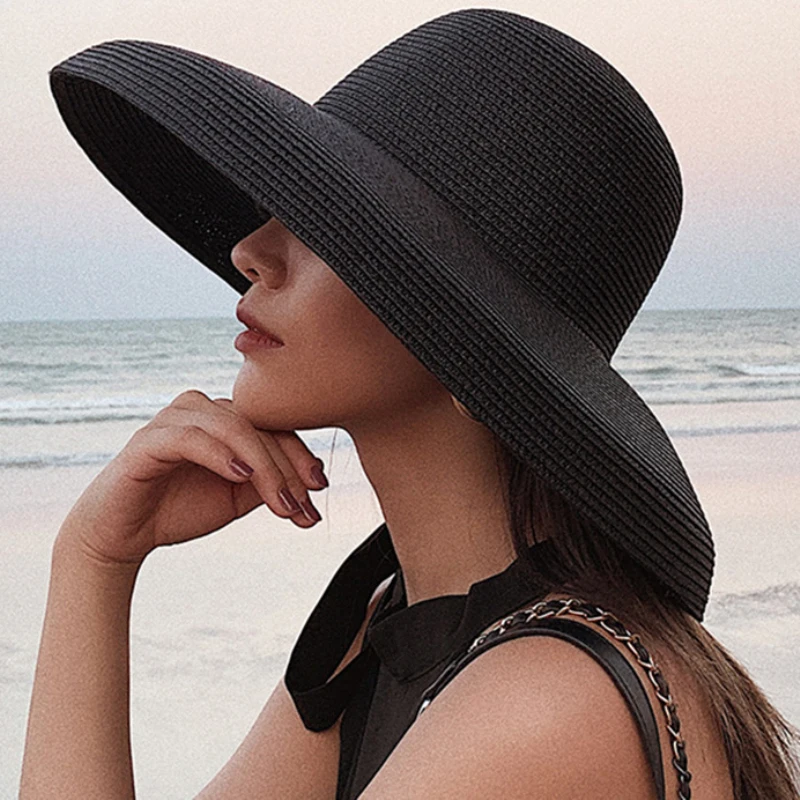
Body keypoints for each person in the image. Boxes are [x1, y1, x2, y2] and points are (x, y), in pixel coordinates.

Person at [21, 9, 800, 800]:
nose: (249, 252)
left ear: (462, 336)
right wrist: (95, 558)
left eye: (328, 222)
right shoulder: (393, 632)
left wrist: (95, 563)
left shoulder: (545, 700)